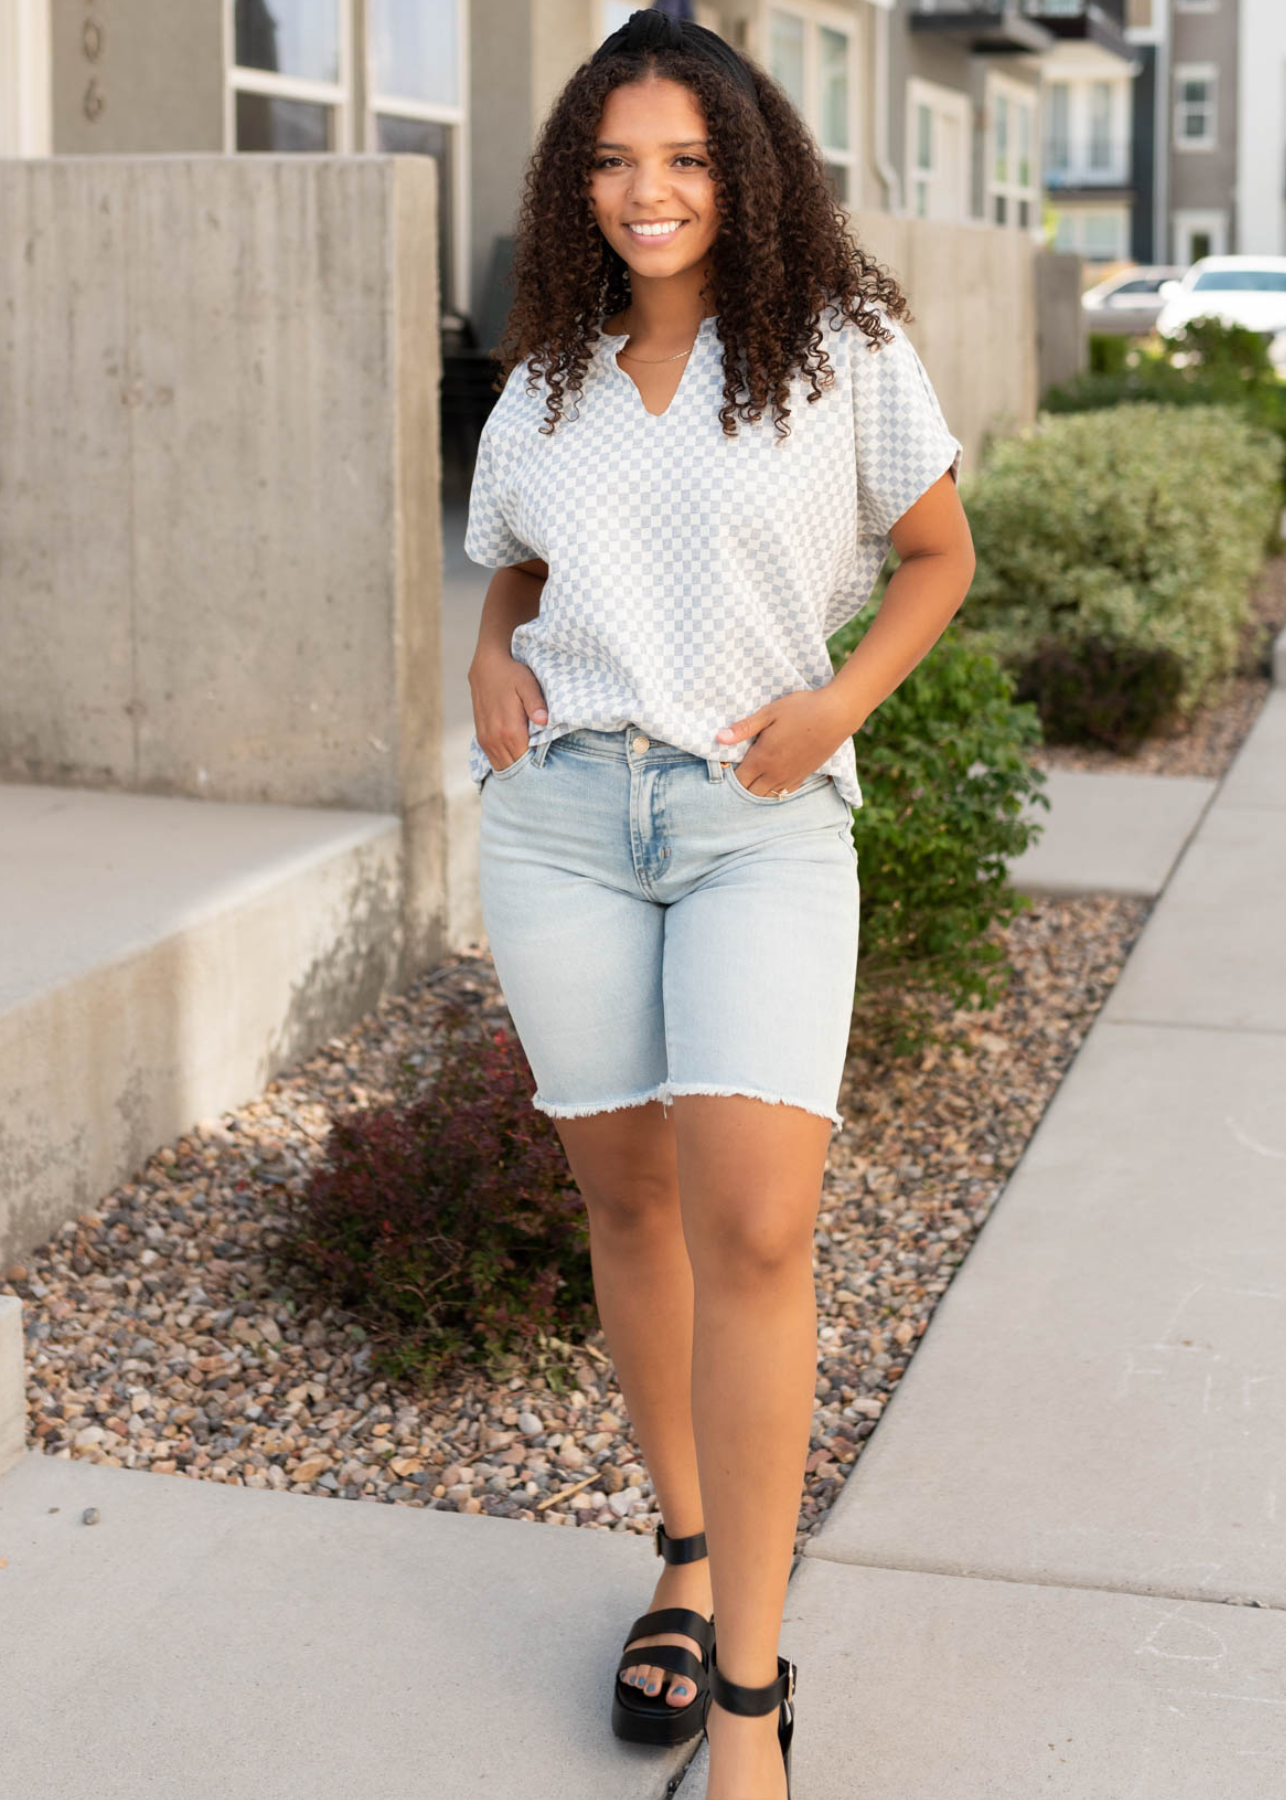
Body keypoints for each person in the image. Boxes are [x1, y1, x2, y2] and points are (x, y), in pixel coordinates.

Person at [463, 11, 974, 1797]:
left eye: (682, 157)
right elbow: (522, 552)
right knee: (628, 1202)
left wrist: (834, 704)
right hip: (562, 827)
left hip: (758, 817)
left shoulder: (837, 348)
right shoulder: (547, 370)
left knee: (756, 1226)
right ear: (572, 181)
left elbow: (938, 554)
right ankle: (682, 1553)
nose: (645, 191)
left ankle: (747, 1699)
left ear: (741, 170)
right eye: (611, 160)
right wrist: (487, 660)